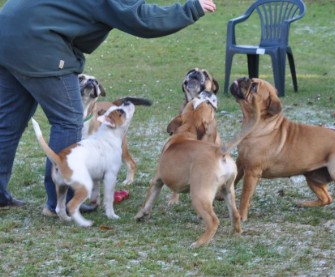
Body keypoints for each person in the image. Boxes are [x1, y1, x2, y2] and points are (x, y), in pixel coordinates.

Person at [0, 0, 216, 214]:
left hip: (7, 31)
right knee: (67, 121)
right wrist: (191, 9)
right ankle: (61, 203)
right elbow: (143, 19)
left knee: (8, 122)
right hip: (38, 41)